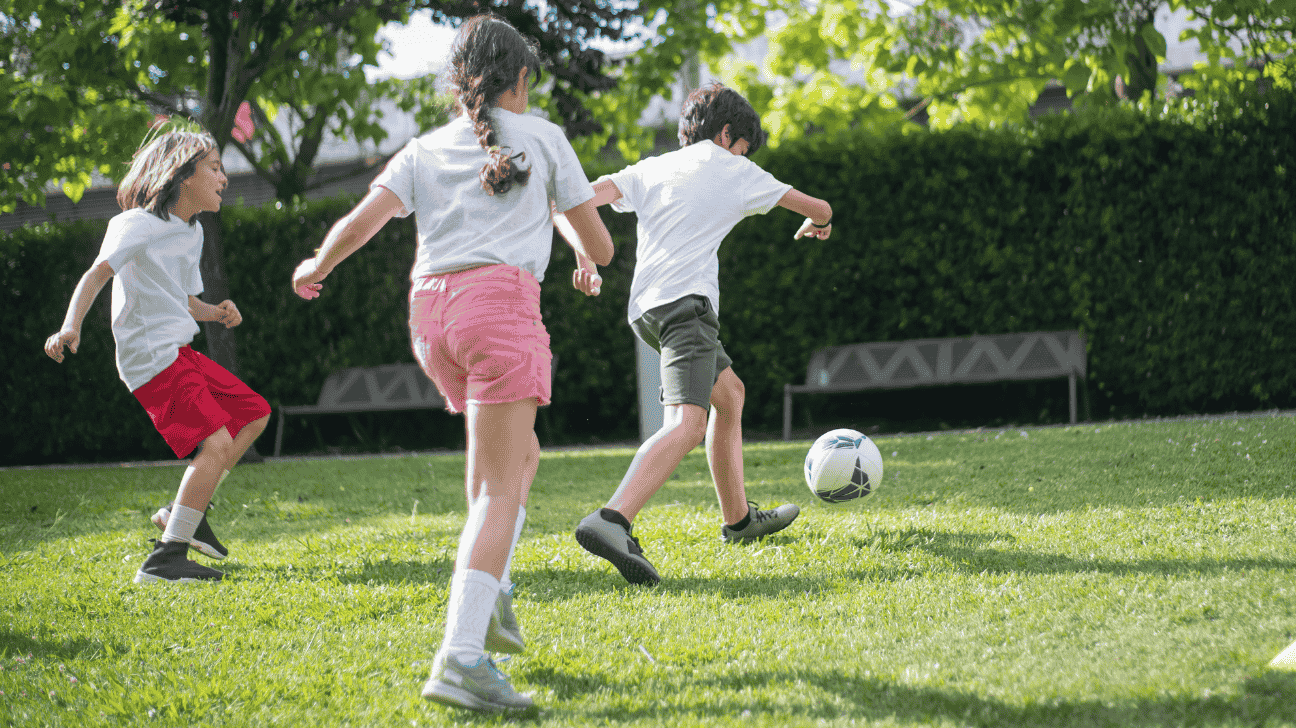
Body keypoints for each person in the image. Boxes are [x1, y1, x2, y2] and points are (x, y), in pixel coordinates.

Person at [290, 14, 614, 713]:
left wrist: (316, 264)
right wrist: (587, 250)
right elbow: (603, 245)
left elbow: (362, 222)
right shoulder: (545, 138)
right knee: (504, 486)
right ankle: (463, 656)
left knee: (515, 458)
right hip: (499, 312)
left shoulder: (426, 146)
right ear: (521, 79)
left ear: (460, 81)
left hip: (432, 318)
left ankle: (490, 592)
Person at [557, 82, 834, 586]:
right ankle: (613, 519)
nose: (742, 156)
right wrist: (817, 223)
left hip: (646, 311)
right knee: (687, 424)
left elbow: (579, 201)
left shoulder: (652, 166)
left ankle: (739, 520)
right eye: (743, 147)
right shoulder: (734, 168)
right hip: (687, 308)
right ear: (729, 134)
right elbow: (819, 206)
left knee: (729, 395)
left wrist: (585, 257)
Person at [43, 123, 271, 584]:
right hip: (151, 357)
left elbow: (183, 301)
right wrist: (71, 326)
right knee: (217, 443)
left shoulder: (193, 232)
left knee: (253, 412)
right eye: (214, 167)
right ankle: (165, 560)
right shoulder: (135, 224)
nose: (224, 177)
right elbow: (97, 274)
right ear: (183, 175)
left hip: (178, 350)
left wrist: (216, 312)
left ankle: (186, 512)